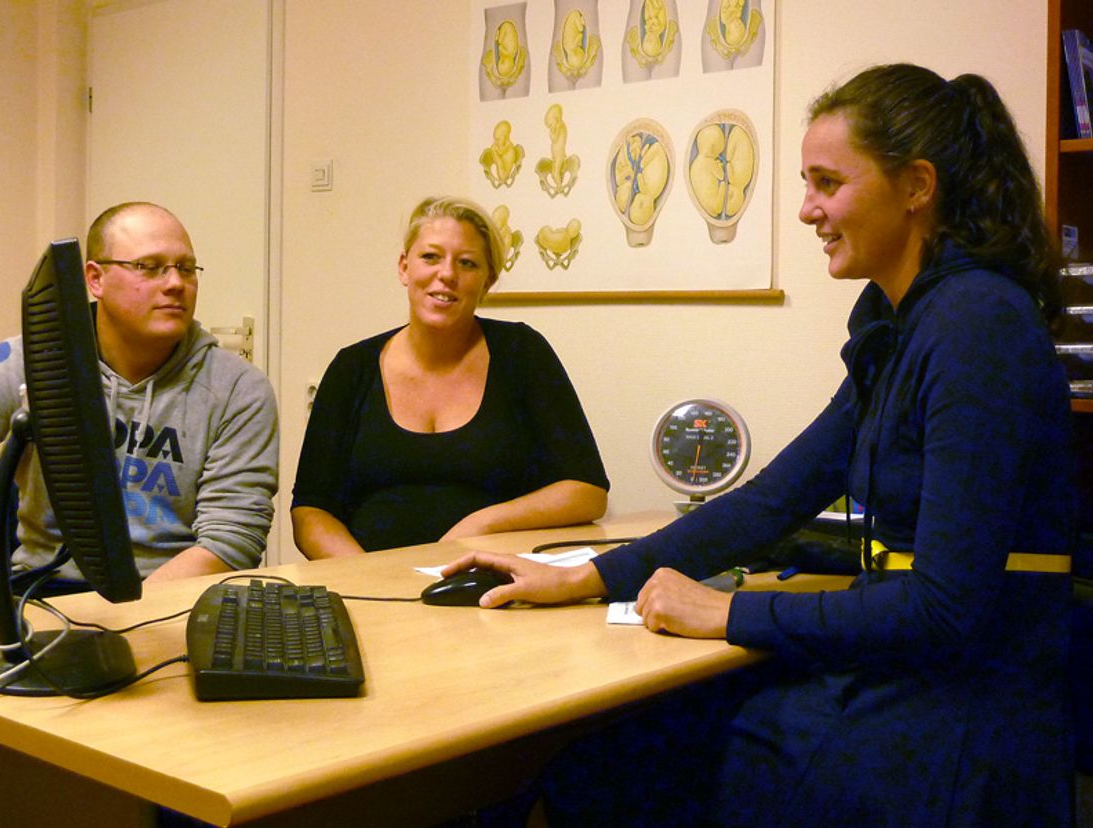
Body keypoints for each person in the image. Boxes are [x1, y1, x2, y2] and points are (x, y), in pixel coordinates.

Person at [443, 64, 1076, 826]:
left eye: (827, 183)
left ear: (916, 186)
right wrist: (586, 577)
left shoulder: (976, 324)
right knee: (609, 753)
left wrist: (728, 612)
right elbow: (776, 498)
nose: (808, 209)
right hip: (917, 674)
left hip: (967, 709)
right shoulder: (904, 324)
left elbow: (945, 609)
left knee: (615, 769)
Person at [292, 196, 608, 557]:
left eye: (467, 263)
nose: (447, 274)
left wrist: (481, 524)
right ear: (403, 267)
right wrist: (365, 577)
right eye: (430, 257)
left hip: (493, 583)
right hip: (367, 588)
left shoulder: (522, 353)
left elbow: (586, 491)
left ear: (487, 282)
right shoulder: (352, 368)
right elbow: (310, 510)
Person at [0, 202, 279, 586]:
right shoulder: (32, 357)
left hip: (172, 596)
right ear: (95, 279)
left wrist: (128, 619)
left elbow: (231, 540)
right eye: (150, 266)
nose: (175, 283)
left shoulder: (239, 390)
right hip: (41, 588)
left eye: (186, 268)